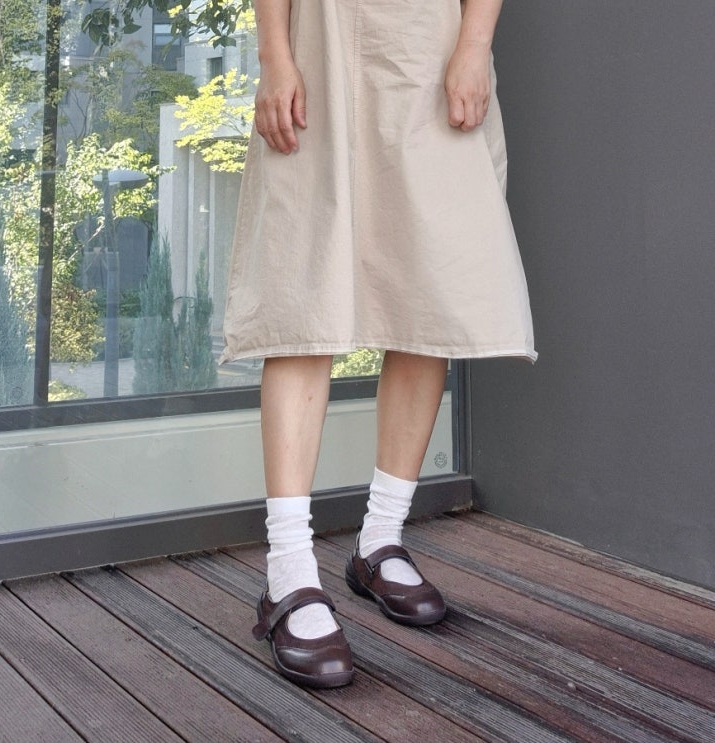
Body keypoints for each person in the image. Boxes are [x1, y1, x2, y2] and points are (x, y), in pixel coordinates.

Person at [222, 0, 536, 688]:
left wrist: (474, 45)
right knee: (302, 296)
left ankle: (380, 540)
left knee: (427, 294)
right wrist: (274, 57)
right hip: (317, 42)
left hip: (429, 45)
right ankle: (288, 570)